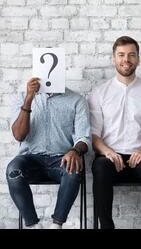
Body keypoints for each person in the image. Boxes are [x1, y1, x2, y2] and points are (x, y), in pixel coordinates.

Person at [88, 36, 141, 229]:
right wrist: (108, 152)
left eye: (131, 55)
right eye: (121, 55)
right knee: (100, 167)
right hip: (110, 156)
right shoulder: (99, 93)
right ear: (113, 59)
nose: (126, 60)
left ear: (138, 59)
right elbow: (94, 135)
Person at [6, 77, 91, 229]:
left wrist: (74, 150)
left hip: (61, 159)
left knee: (73, 170)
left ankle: (56, 225)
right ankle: (33, 226)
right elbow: (19, 135)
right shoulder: (22, 97)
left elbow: (84, 137)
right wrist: (28, 100)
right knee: (13, 170)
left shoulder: (77, 100)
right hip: (30, 159)